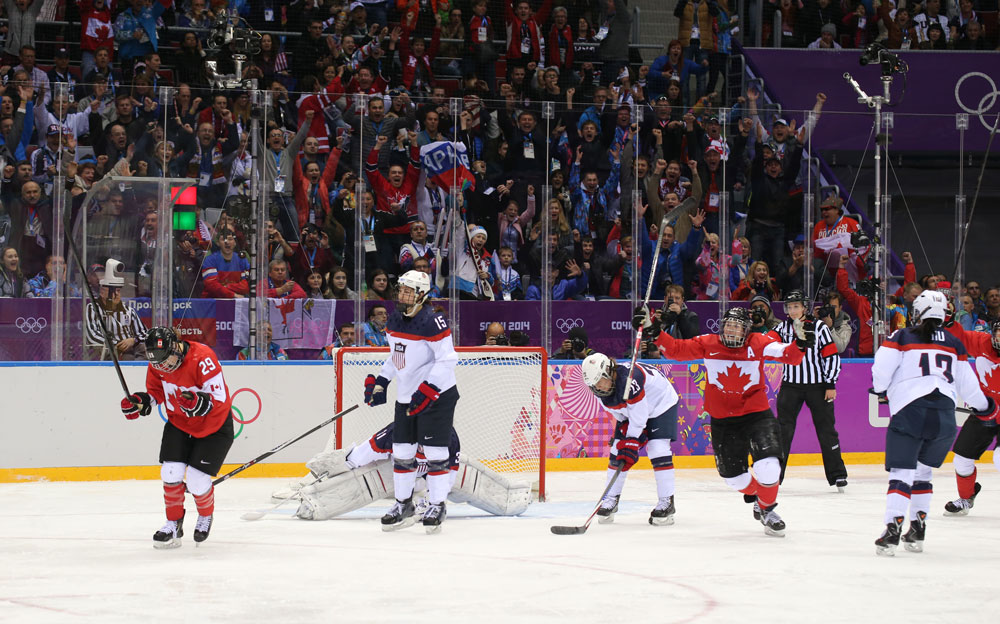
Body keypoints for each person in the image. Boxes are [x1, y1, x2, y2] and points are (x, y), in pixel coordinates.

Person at [635, 304, 815, 536]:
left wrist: (800, 342)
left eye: (737, 327)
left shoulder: (758, 343)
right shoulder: (708, 343)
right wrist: (654, 331)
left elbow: (789, 356)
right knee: (734, 479)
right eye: (728, 326)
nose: (731, 331)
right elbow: (677, 350)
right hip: (723, 420)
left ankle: (768, 509)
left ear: (746, 330)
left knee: (769, 466)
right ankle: (762, 496)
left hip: (756, 415)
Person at [870, 291, 994, 556]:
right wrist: (987, 408)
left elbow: (880, 372)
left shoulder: (901, 336)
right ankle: (917, 530)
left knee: (902, 474)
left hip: (910, 412)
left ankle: (892, 528)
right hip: (945, 417)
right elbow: (970, 388)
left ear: (918, 312)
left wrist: (881, 389)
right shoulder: (954, 342)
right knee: (923, 473)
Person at [120, 327, 234, 548]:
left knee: (196, 480)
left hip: (214, 426)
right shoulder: (158, 363)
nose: (163, 367)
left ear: (176, 347)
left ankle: (205, 515)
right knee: (170, 472)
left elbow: (218, 398)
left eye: (165, 361)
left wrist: (199, 403)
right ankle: (173, 524)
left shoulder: (203, 357)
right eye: (157, 364)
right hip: (180, 422)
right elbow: (156, 392)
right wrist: (141, 402)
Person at [363, 270, 460, 533]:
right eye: (401, 290)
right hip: (407, 396)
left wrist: (428, 390)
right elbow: (396, 356)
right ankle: (403, 504)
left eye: (408, 291)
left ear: (422, 294)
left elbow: (448, 360)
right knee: (403, 452)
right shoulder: (395, 319)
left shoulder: (433, 320)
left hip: (437, 396)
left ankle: (437, 505)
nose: (402, 295)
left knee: (436, 453)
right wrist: (382, 381)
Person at [294, 422, 530, 520]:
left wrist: (432, 501)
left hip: (432, 477)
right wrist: (339, 466)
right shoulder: (396, 432)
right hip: (399, 475)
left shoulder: (448, 437)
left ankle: (512, 497)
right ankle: (316, 502)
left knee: (465, 481)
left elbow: (451, 475)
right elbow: (362, 456)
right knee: (377, 476)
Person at [581, 352, 681, 525]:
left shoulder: (630, 382)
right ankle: (611, 499)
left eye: (600, 381)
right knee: (617, 449)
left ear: (609, 372)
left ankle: (667, 502)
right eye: (594, 385)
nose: (598, 388)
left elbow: (640, 418)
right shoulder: (601, 392)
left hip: (661, 404)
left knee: (658, 449)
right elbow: (622, 415)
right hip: (634, 411)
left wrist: (633, 441)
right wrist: (625, 442)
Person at [773, 290, 848, 489]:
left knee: (827, 431)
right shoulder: (782, 328)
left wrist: (830, 383)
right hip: (790, 386)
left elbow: (831, 355)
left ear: (805, 307)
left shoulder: (820, 327)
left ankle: (837, 474)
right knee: (783, 432)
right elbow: (766, 342)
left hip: (818, 386)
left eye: (796, 306)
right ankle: (775, 475)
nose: (792, 310)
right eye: (789, 307)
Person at [940, 318, 1000, 516]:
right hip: (986, 410)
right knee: (961, 460)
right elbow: (959, 338)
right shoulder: (982, 342)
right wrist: (948, 321)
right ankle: (966, 498)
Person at [84, 259, 148, 361]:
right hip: (111, 352)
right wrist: (117, 344)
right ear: (102, 292)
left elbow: (145, 333)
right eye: (113, 291)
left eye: (118, 291)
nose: (117, 294)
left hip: (133, 349)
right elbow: (92, 336)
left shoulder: (128, 310)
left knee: (146, 349)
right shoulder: (93, 308)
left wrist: (133, 340)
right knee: (127, 357)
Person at [200, 229, 249, 299]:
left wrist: (227, 287)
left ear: (235, 243)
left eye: (230, 239)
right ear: (218, 243)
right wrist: (233, 295)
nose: (227, 242)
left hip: (237, 300)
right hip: (212, 301)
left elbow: (246, 286)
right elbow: (212, 286)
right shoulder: (210, 260)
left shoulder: (242, 260)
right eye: (223, 239)